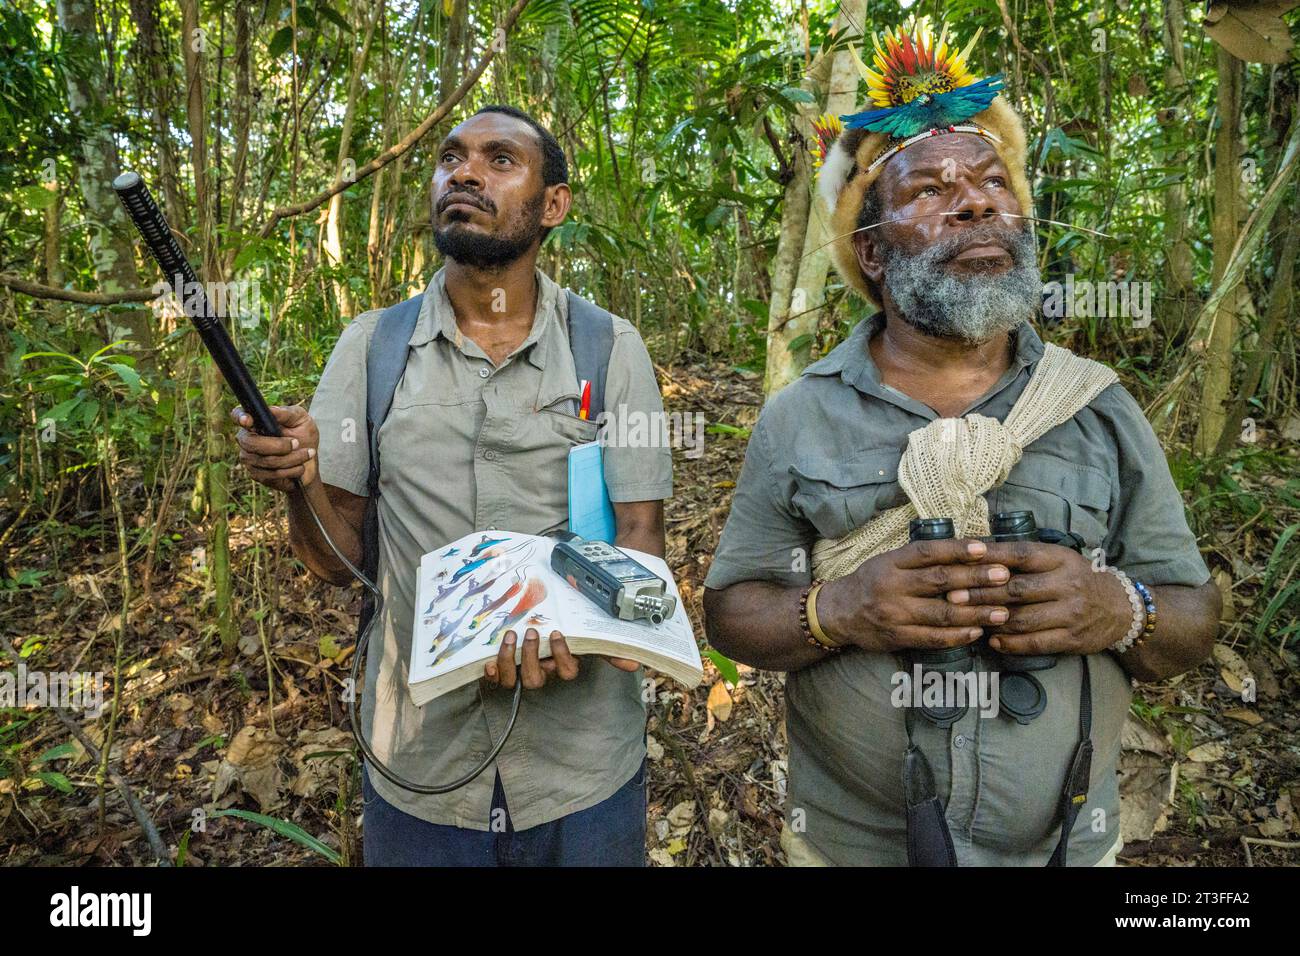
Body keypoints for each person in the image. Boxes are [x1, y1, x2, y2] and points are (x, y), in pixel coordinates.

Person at [702, 20, 1219, 866]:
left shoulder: (1098, 406)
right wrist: (837, 611)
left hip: (1066, 844)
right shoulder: (801, 415)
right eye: (930, 191)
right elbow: (731, 611)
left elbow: (1193, 615)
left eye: (991, 183)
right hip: (851, 845)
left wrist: (1117, 608)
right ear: (870, 253)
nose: (975, 201)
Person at [233, 105, 672, 866]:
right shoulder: (374, 347)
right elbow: (332, 560)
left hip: (580, 765)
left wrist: (598, 634)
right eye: (451, 158)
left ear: (554, 205)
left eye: (500, 160)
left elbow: (639, 538)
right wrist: (298, 481)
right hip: (421, 764)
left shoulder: (608, 347)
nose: (464, 173)